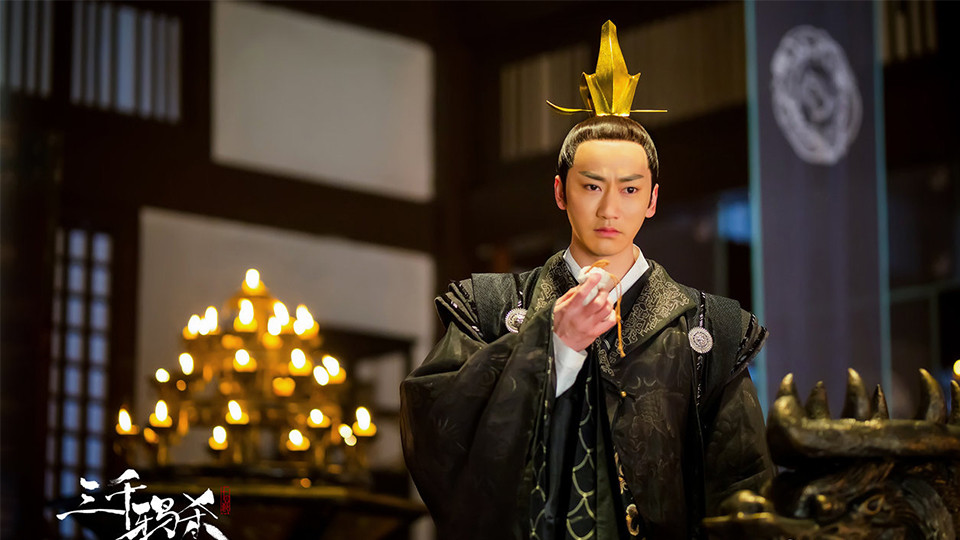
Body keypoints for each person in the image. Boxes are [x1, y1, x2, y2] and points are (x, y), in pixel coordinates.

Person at [400, 21, 773, 540]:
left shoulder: (714, 330)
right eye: (591, 186)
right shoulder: (489, 307)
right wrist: (550, 346)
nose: (608, 209)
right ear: (560, 192)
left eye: (629, 190)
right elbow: (436, 431)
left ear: (653, 199)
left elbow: (744, 487)